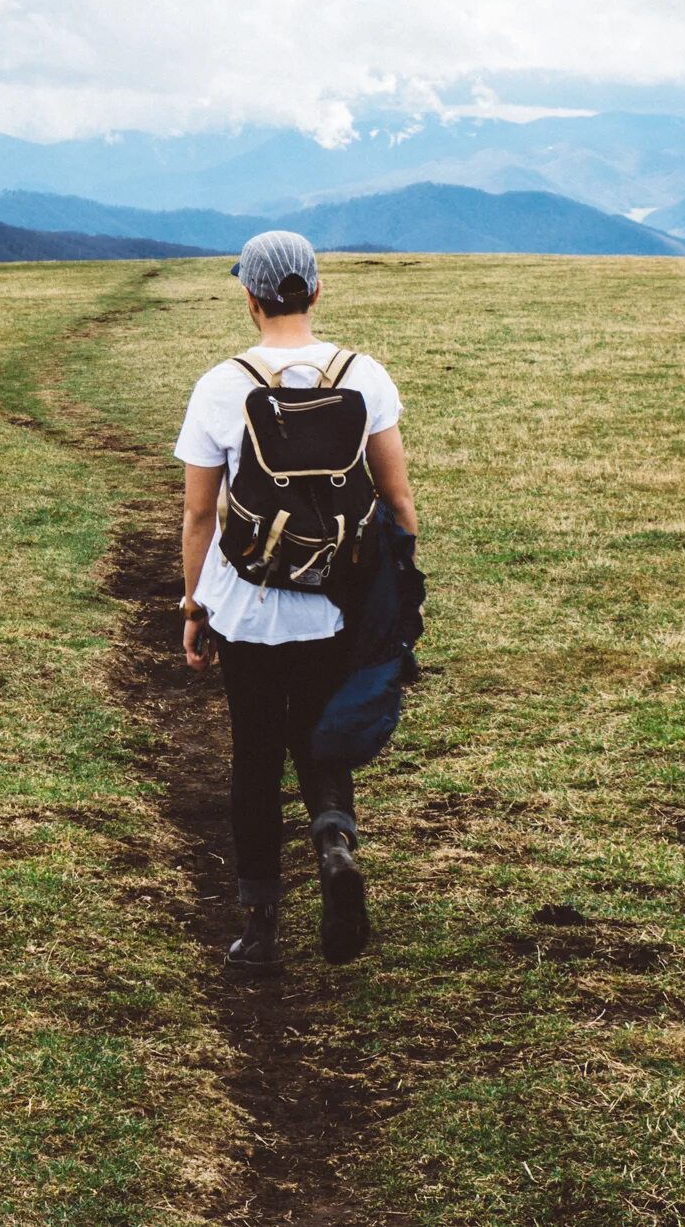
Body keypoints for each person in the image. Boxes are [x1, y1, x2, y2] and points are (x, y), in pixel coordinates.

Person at [176, 230, 419, 968]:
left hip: (247, 605)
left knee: (254, 756)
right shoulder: (363, 373)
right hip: (334, 604)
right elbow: (398, 498)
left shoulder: (223, 384)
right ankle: (335, 843)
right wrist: (395, 594)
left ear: (249, 297)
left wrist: (194, 607)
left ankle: (258, 928)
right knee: (322, 737)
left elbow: (196, 514)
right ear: (315, 291)